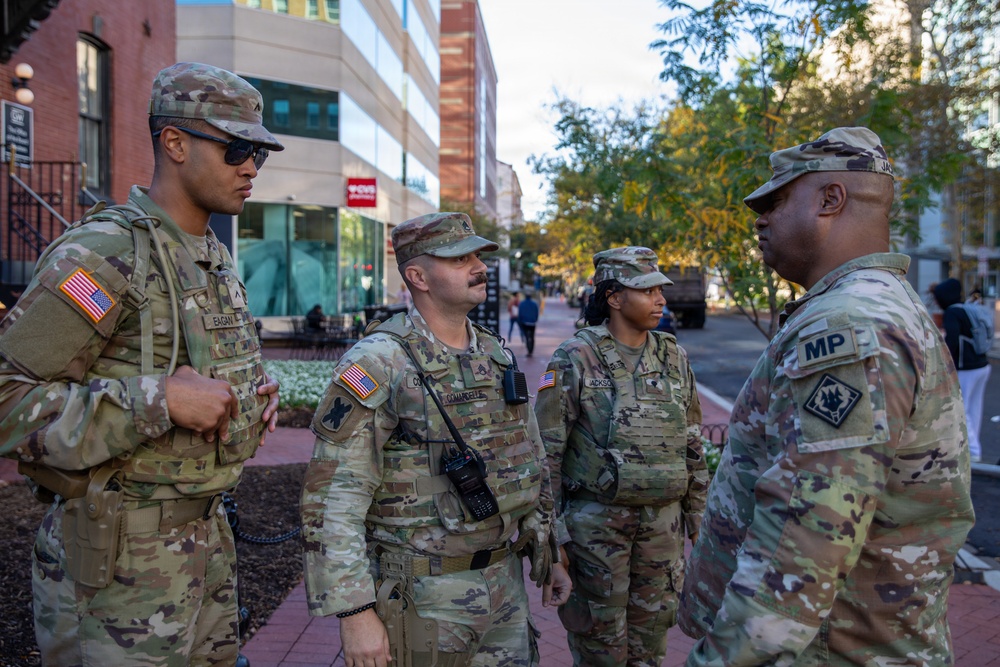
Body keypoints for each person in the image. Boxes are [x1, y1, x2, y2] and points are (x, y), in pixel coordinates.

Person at [0, 62, 283, 664]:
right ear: (175, 143)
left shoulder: (210, 256)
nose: (251, 168)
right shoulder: (106, 252)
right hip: (115, 568)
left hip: (206, 546)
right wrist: (158, 400)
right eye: (236, 149)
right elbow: (6, 399)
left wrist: (252, 393)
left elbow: (198, 364)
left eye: (259, 153)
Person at [679, 127, 975, 665]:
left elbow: (804, 541)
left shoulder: (847, 324)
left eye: (775, 201)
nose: (759, 219)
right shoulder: (881, 307)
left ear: (831, 199)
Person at [300, 212, 571, 667]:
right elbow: (333, 498)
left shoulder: (495, 353)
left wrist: (550, 552)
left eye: (477, 256)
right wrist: (354, 611)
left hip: (504, 587)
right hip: (424, 599)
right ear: (417, 276)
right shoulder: (381, 361)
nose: (478, 267)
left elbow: (531, 458)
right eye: (458, 258)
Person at [534, 246, 707, 667]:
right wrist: (552, 544)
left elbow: (693, 445)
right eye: (647, 290)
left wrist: (700, 525)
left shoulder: (673, 356)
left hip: (662, 528)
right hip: (596, 529)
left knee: (651, 645)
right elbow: (546, 456)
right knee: (600, 646)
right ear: (613, 297)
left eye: (660, 290)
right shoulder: (575, 357)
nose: (661, 300)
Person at [934, 278, 991, 463]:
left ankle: (972, 451)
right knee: (974, 408)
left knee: (961, 408)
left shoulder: (952, 312)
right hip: (982, 365)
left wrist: (945, 364)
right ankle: (974, 447)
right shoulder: (968, 308)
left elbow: (951, 339)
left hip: (966, 368)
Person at [518, 289, 540, 356]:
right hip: (533, 323)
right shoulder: (534, 303)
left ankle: (529, 350)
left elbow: (520, 313)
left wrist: (520, 321)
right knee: (532, 337)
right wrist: (535, 319)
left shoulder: (522, 304)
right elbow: (537, 313)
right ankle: (531, 350)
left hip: (525, 322)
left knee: (527, 337)